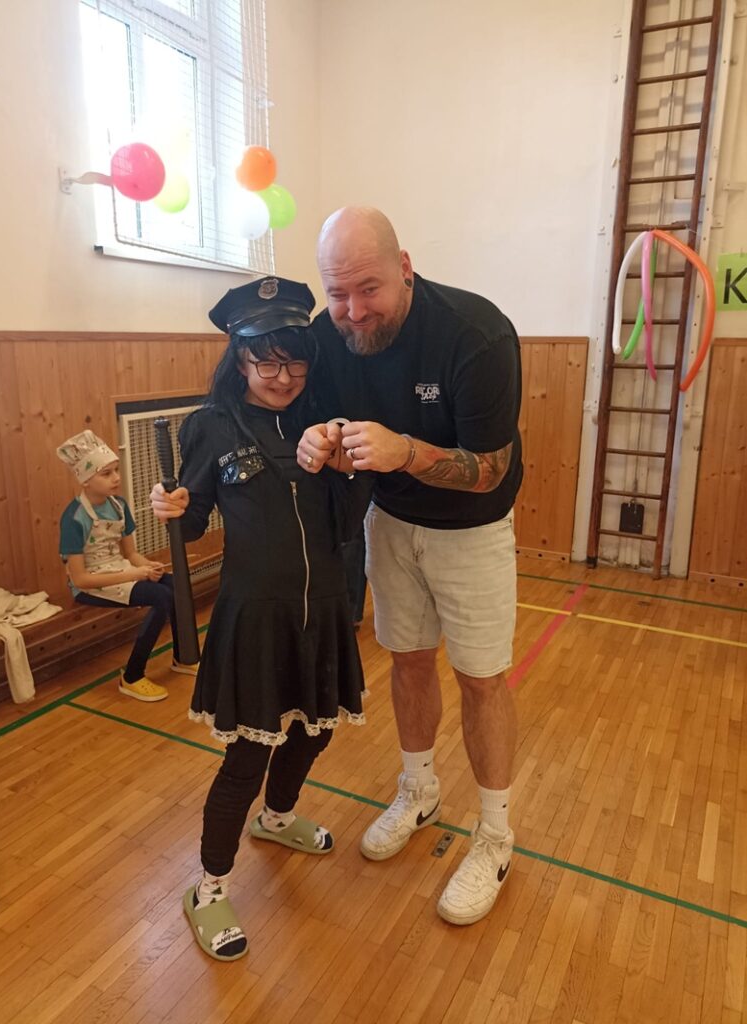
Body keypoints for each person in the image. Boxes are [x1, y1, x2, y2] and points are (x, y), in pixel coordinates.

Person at [297, 207, 523, 926]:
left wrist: (406, 453)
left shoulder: (475, 334)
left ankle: (495, 835)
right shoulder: (326, 336)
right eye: (337, 293)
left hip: (473, 531)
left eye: (368, 289)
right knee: (407, 660)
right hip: (389, 523)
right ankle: (418, 789)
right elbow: (330, 432)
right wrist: (325, 443)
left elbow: (490, 470)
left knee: (481, 679)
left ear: (404, 268)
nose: (353, 311)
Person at [149, 277, 369, 962]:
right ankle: (209, 887)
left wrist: (348, 463)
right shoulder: (211, 426)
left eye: (294, 360)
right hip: (255, 618)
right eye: (265, 362)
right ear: (238, 358)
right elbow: (191, 526)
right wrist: (170, 510)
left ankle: (276, 818)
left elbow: (349, 518)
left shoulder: (326, 419)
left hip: (323, 608)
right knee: (247, 757)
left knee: (314, 732)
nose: (282, 377)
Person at [57, 430, 198, 702]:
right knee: (161, 597)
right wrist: (136, 574)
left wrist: (148, 566)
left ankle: (183, 656)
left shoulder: (119, 506)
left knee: (175, 585)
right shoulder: (73, 518)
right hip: (92, 584)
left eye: (116, 470)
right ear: (85, 480)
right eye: (106, 473)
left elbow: (131, 554)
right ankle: (132, 676)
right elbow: (80, 579)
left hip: (121, 570)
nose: (116, 478)